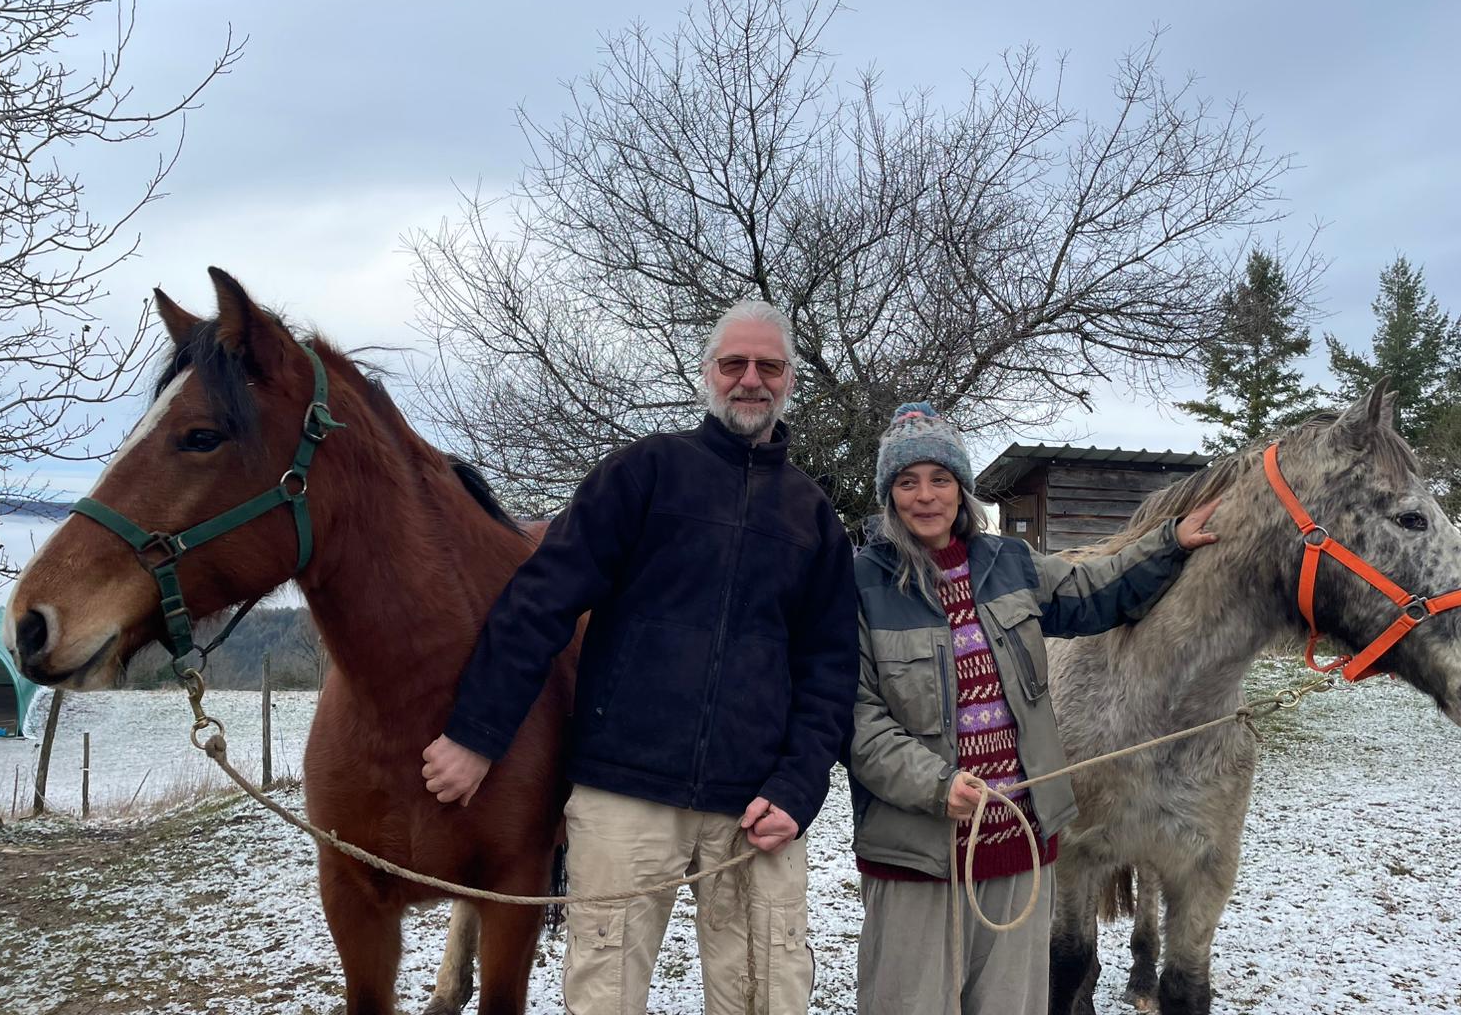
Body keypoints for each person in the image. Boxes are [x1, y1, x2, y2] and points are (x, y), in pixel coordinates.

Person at [420, 300, 858, 1015]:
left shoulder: (813, 518)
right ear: (707, 375)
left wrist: (800, 787)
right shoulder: (644, 474)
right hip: (625, 792)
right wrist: (476, 732)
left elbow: (831, 672)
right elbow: (541, 601)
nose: (751, 379)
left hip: (756, 806)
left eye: (768, 366)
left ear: (790, 382)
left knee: (766, 1000)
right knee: (603, 998)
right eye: (733, 364)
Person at [849, 403, 1221, 1015]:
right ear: (889, 496)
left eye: (940, 479)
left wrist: (1169, 544)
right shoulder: (860, 583)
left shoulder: (1010, 564)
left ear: (962, 490)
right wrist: (935, 785)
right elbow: (858, 720)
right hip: (918, 849)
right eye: (906, 482)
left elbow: (1096, 590)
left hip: (1018, 845)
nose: (925, 496)